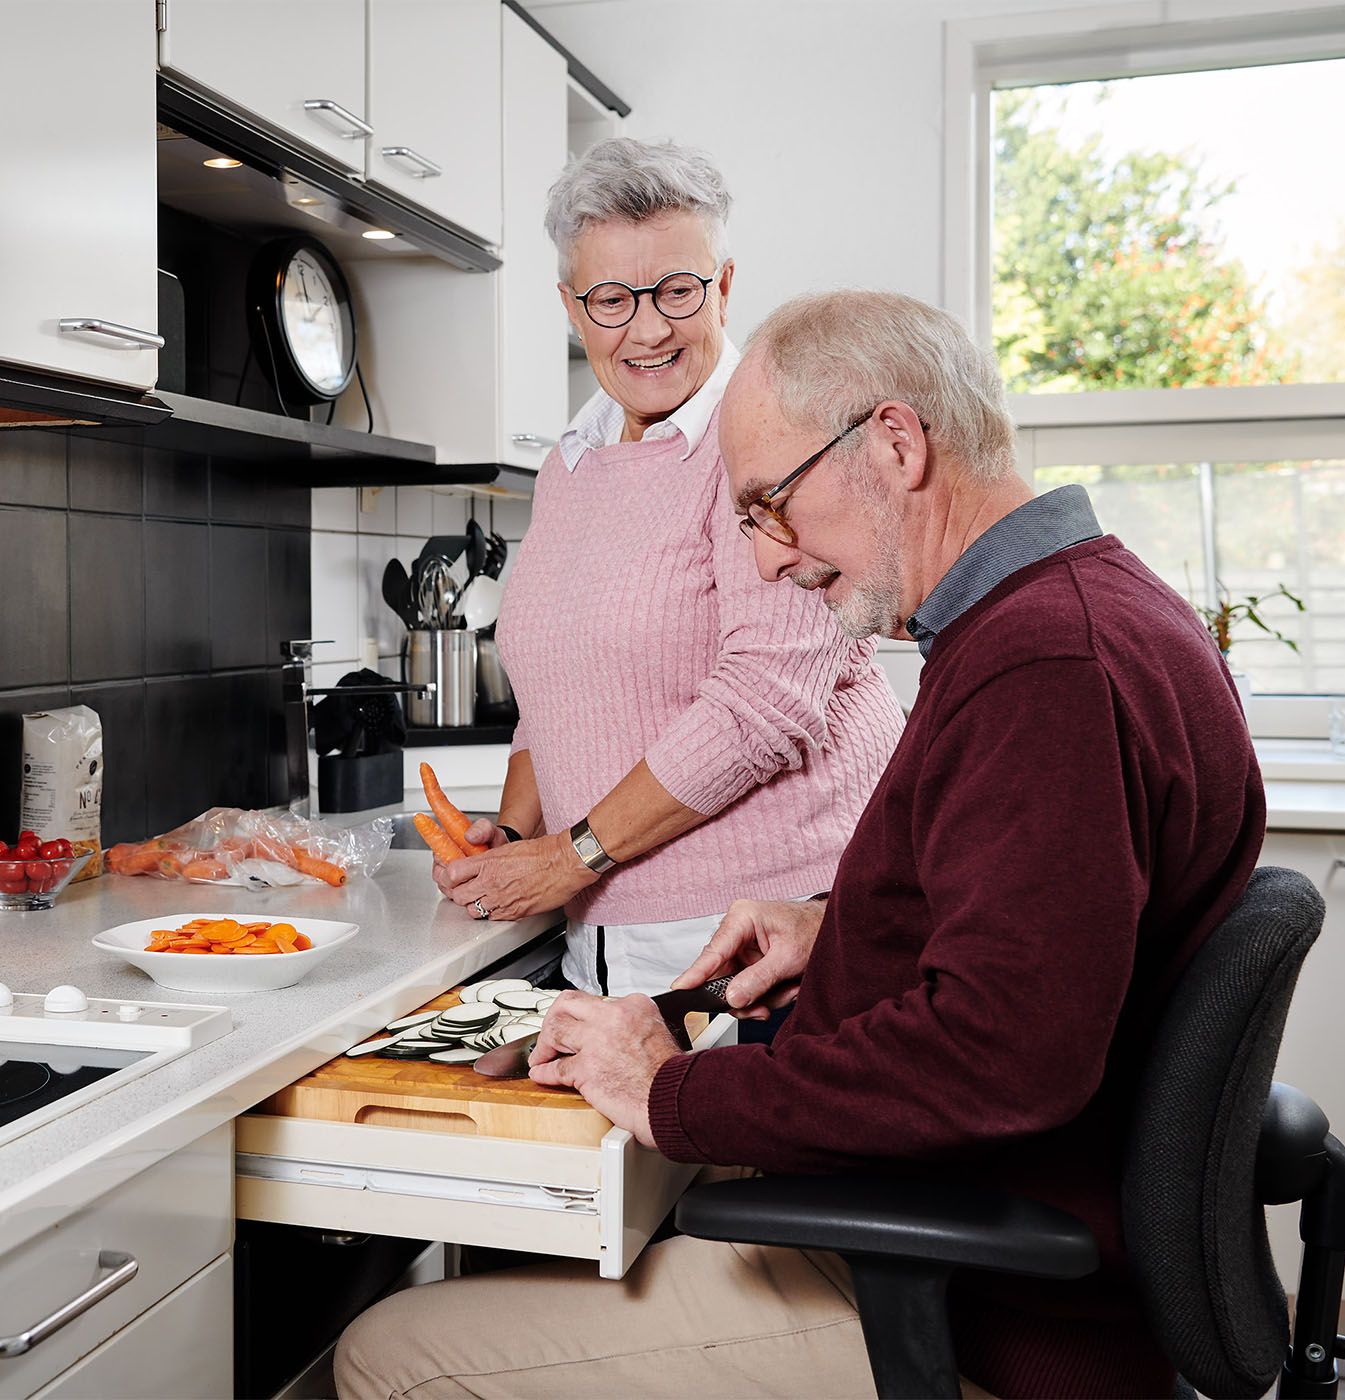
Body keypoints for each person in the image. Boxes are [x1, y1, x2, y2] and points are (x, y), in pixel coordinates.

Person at [336, 291, 1265, 1400]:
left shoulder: (1043, 669)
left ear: (895, 442)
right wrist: (836, 930)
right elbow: (1051, 937)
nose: (769, 557)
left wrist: (669, 1087)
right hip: (949, 1234)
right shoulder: (1084, 610)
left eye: (771, 504)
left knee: (387, 1352)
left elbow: (1000, 1053)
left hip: (950, 1302)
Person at [432, 139, 905, 999]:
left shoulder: (772, 438)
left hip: (770, 930)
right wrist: (509, 835)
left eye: (676, 292)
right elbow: (557, 689)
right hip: (605, 933)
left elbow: (765, 703)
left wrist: (570, 857)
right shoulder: (570, 461)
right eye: (611, 300)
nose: (647, 330)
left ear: (723, 287)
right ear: (572, 308)